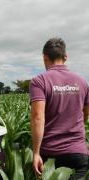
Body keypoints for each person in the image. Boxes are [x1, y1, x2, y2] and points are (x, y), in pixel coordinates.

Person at [29, 37, 89, 179]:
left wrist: (36, 153)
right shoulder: (82, 82)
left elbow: (38, 117)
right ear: (65, 57)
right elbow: (85, 114)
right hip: (79, 154)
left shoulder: (39, 81)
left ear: (45, 57)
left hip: (50, 157)